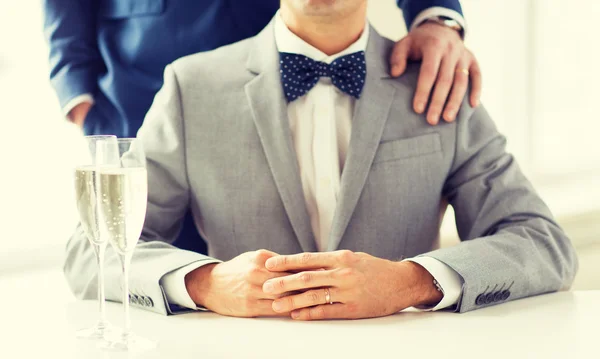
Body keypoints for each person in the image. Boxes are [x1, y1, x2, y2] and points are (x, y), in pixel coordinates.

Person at [65, 0, 577, 319]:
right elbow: (90, 252)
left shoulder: (438, 84)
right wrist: (206, 284)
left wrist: (410, 282)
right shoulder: (190, 88)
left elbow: (544, 244)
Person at [45, 0, 479, 255]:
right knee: (151, 283)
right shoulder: (183, 88)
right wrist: (80, 96)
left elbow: (531, 234)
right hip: (138, 95)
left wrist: (435, 16)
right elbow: (93, 252)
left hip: (279, 81)